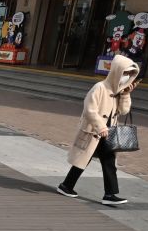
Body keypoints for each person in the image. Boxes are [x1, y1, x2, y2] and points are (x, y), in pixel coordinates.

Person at [57, 54, 139, 206]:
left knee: (108, 162)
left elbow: (124, 111)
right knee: (84, 159)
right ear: (116, 71)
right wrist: (100, 126)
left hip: (108, 133)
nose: (126, 77)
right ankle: (67, 186)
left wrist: (126, 94)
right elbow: (90, 110)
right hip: (93, 132)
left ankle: (108, 194)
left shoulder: (119, 91)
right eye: (124, 73)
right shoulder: (99, 87)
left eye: (129, 74)